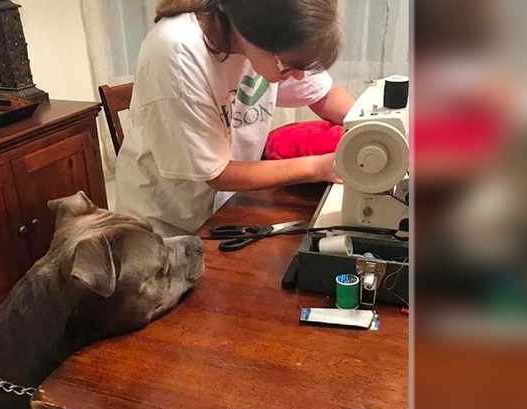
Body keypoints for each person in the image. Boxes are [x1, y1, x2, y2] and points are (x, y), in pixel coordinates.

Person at [115, 0, 355, 237]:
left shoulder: (261, 38)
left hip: (227, 207)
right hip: (168, 221)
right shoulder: (177, 51)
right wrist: (319, 166)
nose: (299, 77)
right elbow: (217, 174)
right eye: (289, 67)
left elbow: (324, 97)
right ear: (254, 34)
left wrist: (373, 123)